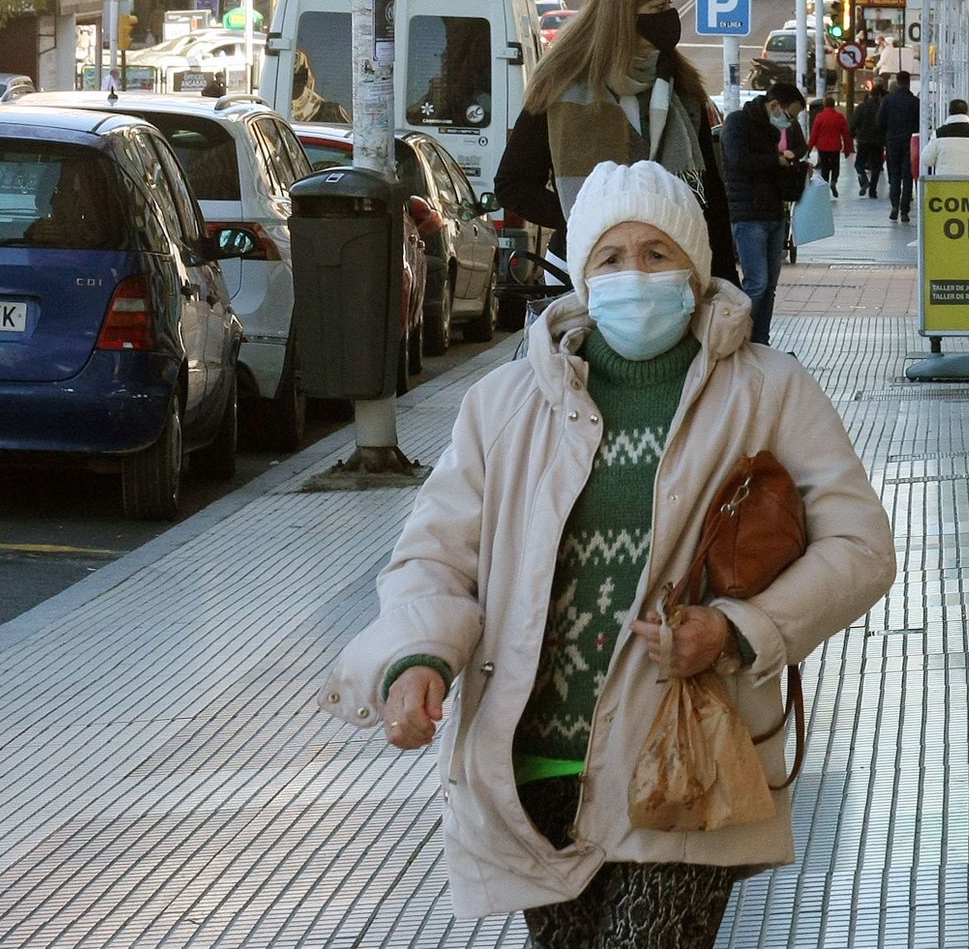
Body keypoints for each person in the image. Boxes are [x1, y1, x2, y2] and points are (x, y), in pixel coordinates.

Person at [320, 158, 896, 948]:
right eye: (611, 258)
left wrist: (736, 628)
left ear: (694, 269)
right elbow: (435, 556)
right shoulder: (506, 403)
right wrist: (416, 657)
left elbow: (861, 547)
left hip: (679, 765)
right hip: (534, 778)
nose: (635, 274)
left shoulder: (769, 390)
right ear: (583, 275)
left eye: (656, 254)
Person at [494, 0, 737, 287]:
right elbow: (513, 184)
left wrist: (725, 279)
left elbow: (710, 195)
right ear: (622, 14)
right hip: (582, 273)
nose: (669, 15)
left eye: (668, 4)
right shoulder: (559, 90)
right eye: (658, 7)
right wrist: (589, 219)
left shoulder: (681, 87)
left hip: (674, 272)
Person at [720, 82, 808, 344]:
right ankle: (737, 339)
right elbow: (738, 161)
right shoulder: (737, 122)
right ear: (774, 106)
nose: (788, 123)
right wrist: (776, 161)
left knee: (769, 287)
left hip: (774, 213)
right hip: (748, 215)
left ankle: (760, 342)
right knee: (756, 283)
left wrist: (793, 167)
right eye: (789, 116)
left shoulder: (771, 129)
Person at [876, 69, 921, 222]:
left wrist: (887, 135)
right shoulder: (915, 102)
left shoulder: (888, 100)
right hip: (910, 142)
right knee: (907, 175)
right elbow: (921, 124)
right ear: (908, 82)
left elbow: (880, 121)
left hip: (892, 141)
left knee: (894, 174)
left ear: (897, 82)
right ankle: (905, 210)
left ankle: (894, 205)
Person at [920, 98, 969, 176]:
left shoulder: (939, 134)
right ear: (967, 113)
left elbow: (926, 159)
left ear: (949, 112)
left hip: (944, 184)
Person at [807, 98, 854, 197]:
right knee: (835, 166)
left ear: (824, 105)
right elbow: (846, 134)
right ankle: (834, 181)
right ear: (834, 105)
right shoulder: (839, 117)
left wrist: (809, 149)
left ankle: (825, 185)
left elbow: (814, 134)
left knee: (825, 168)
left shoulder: (820, 117)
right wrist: (847, 148)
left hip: (823, 147)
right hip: (835, 146)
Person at [290, 48, 350, 123]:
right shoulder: (274, 109)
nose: (294, 86)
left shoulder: (333, 112)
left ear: (306, 79)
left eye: (298, 80)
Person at [849, 81, 887, 197]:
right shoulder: (881, 108)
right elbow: (885, 124)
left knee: (859, 164)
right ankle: (873, 191)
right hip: (878, 141)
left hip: (863, 140)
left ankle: (864, 181)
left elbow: (854, 123)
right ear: (879, 96)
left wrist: (851, 135)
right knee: (876, 166)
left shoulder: (861, 107)